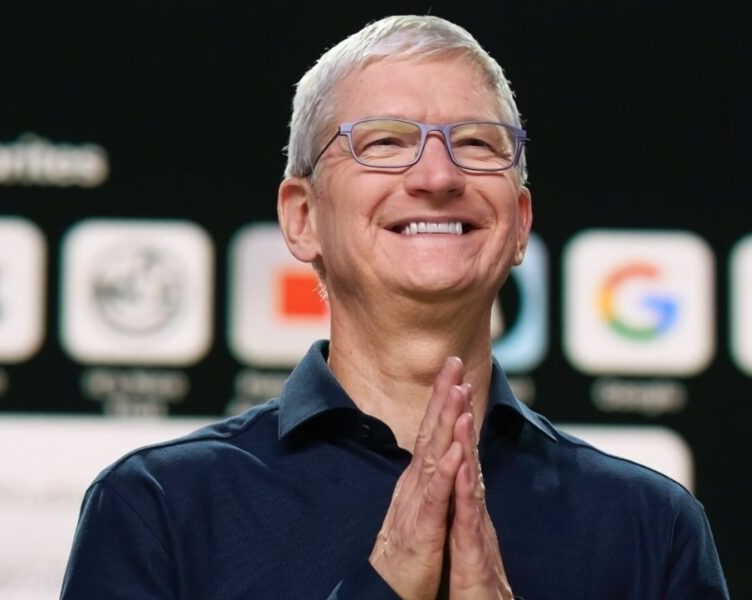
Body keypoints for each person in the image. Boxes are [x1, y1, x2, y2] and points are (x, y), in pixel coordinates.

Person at [60, 15, 729, 599]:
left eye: (476, 143)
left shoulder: (653, 527)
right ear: (302, 218)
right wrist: (382, 586)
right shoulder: (159, 509)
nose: (438, 176)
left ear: (520, 222)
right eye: (384, 142)